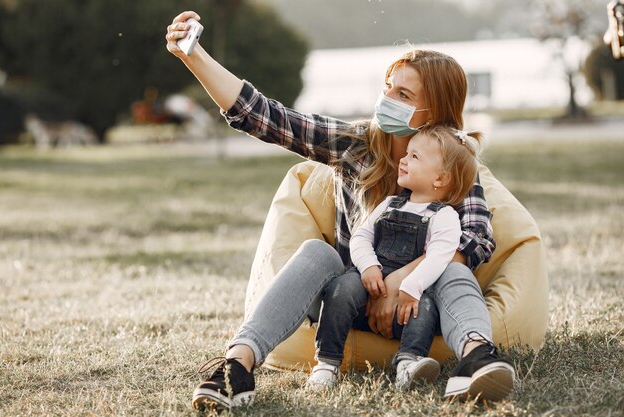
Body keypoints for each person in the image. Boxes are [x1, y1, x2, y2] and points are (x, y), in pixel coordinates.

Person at [165, 10, 516, 410]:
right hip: (346, 299)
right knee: (318, 252)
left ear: (433, 113)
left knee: (453, 267)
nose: (388, 100)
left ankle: (477, 357)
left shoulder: (453, 163)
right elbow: (265, 115)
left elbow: (477, 238)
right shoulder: (355, 144)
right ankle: (236, 368)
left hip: (419, 309)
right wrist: (194, 57)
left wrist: (403, 280)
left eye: (404, 95)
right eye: (388, 88)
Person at [307, 125, 482, 392]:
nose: (403, 159)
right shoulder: (389, 204)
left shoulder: (445, 217)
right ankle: (326, 364)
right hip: (369, 285)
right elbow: (361, 237)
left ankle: (408, 362)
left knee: (424, 309)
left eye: (415, 157)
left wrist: (410, 288)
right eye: (407, 153)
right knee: (342, 288)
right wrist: (368, 267)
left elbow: (439, 257)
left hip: (408, 301)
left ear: (440, 179)